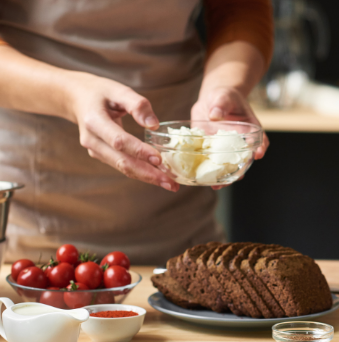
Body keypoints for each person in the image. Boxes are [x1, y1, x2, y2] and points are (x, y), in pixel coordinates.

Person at [0, 0, 272, 264]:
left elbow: (241, 9)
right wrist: (68, 96)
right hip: (37, 214)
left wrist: (226, 85)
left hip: (181, 223)